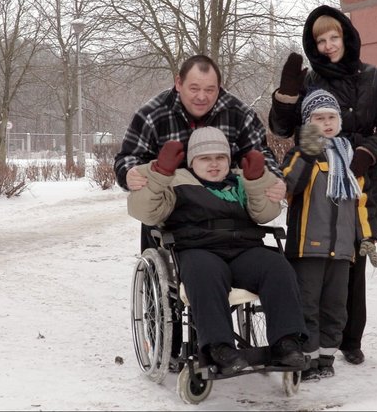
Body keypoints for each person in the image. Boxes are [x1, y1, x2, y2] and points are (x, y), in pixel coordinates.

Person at [269, 5, 377, 365]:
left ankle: (350, 339)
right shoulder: (311, 80)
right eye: (321, 40)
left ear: (346, 36)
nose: (328, 45)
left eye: (334, 37)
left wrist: (367, 152)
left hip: (359, 173)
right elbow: (283, 129)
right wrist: (287, 95)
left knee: (351, 259)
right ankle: (313, 343)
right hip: (317, 172)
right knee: (316, 273)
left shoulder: (374, 77)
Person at [127, 127, 308, 375]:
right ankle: (219, 347)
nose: (214, 164)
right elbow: (146, 213)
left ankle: (286, 343)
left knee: (277, 267)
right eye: (205, 158)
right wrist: (159, 175)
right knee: (205, 272)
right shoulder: (176, 181)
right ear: (192, 161)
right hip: (197, 247)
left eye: (220, 158)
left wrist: (257, 182)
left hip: (243, 248)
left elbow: (266, 214)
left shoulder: (240, 181)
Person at [114, 54, 286, 249]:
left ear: (219, 87)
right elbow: (128, 157)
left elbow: (260, 153)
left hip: (227, 210)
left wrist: (275, 179)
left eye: (210, 89)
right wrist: (129, 173)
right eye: (194, 88)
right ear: (178, 83)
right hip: (171, 210)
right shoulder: (152, 114)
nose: (202, 97)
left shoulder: (239, 114)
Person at [281, 89, 377, 382]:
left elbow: (360, 201)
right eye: (319, 117)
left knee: (336, 308)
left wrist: (366, 237)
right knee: (307, 305)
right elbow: (289, 186)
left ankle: (325, 358)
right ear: (308, 122)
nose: (326, 123)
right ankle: (308, 360)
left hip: (341, 250)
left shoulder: (349, 157)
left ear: (339, 121)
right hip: (307, 248)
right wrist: (306, 153)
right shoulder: (300, 153)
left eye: (331, 117)